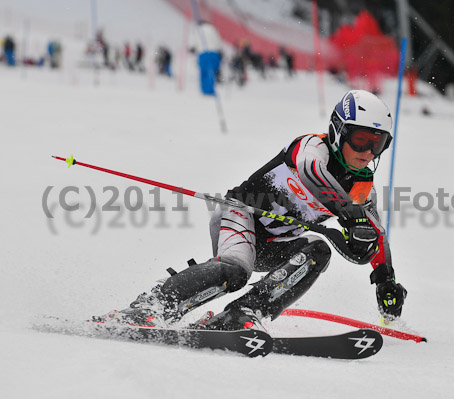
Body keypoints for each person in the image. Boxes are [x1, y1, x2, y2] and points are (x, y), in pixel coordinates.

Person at [94, 90, 407, 331]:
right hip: (241, 214)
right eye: (361, 139)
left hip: (276, 244)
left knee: (318, 251)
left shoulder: (363, 188)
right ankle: (155, 304)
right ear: (338, 131)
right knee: (236, 271)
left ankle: (244, 312)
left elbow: (375, 233)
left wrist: (385, 278)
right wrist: (347, 212)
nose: (367, 152)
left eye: (377, 144)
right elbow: (311, 172)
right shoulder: (313, 147)